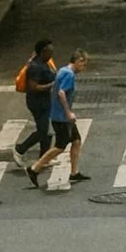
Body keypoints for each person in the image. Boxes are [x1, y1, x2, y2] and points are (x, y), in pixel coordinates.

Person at [28, 50, 86, 191]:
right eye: (83, 64)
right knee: (60, 146)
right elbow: (61, 93)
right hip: (61, 118)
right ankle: (35, 168)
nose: (84, 68)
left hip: (60, 116)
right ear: (77, 61)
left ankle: (74, 172)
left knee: (76, 141)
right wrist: (68, 113)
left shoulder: (63, 70)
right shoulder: (69, 74)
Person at [12, 37, 59, 175]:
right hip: (37, 103)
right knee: (43, 130)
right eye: (50, 51)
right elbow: (33, 87)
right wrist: (52, 85)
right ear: (43, 51)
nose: (52, 53)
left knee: (48, 130)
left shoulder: (46, 62)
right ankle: (20, 149)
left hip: (46, 100)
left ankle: (44, 159)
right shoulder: (35, 67)